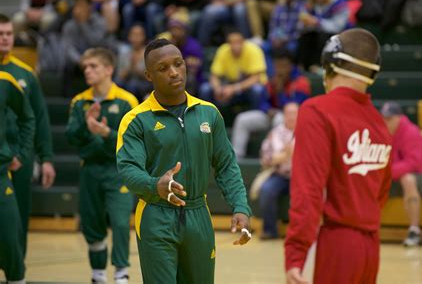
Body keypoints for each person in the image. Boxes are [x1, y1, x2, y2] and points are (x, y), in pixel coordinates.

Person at [116, 38, 252, 284]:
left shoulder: (209, 113)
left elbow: (226, 165)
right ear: (148, 75)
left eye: (178, 64)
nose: (174, 72)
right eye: (163, 68)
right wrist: (155, 184)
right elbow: (128, 169)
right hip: (156, 214)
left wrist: (240, 206)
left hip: (198, 214)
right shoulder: (136, 120)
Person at [285, 28, 392, 284]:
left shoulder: (316, 110)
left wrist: (296, 253)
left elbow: (308, 191)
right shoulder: (379, 123)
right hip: (370, 248)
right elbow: (382, 193)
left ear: (330, 61)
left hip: (337, 243)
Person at [65, 48, 139, 284]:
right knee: (91, 222)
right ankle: (98, 274)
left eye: (93, 66)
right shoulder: (79, 101)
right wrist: (86, 126)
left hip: (118, 171)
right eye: (85, 67)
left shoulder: (127, 101)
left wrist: (107, 133)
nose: (87, 70)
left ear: (109, 69)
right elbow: (70, 137)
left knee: (119, 221)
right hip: (90, 169)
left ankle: (121, 273)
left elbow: (134, 142)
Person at [0, 13, 56, 257]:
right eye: (0, 35)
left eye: (9, 34)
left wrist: (46, 159)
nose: (5, 39)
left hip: (19, 157)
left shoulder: (26, 75)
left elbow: (40, 118)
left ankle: (17, 272)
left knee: (20, 216)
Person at [231, 49, 310, 158]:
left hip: (291, 119)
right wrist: (267, 109)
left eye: (283, 66)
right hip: (270, 115)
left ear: (290, 66)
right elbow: (262, 102)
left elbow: (294, 108)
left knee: (279, 118)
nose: (280, 69)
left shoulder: (301, 82)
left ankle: (277, 156)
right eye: (277, 66)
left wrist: (280, 91)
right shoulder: (273, 80)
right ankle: (237, 158)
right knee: (242, 119)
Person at [381, 101, 422, 247]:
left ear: (399, 118)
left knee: (408, 179)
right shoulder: (382, 133)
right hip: (393, 176)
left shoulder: (411, 132)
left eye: (390, 119)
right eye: (384, 118)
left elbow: (413, 163)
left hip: (421, 177)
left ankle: (414, 230)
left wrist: (385, 172)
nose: (386, 122)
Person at [0, 71, 35, 284]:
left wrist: (21, 152)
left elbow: (27, 116)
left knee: (9, 237)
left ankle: (16, 279)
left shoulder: (5, 80)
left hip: (1, 174)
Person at [199, 30, 267, 113]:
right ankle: (208, 120)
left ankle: (255, 117)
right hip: (229, 85)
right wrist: (217, 88)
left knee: (257, 90)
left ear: (243, 42)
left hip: (247, 88)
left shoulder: (253, 50)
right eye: (233, 42)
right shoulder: (223, 50)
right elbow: (214, 75)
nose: (236, 45)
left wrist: (234, 88)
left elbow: (256, 78)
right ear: (228, 43)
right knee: (205, 89)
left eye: (238, 42)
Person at [258, 102, 298, 239]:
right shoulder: (275, 133)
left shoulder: (307, 131)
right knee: (267, 190)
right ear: (284, 115)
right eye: (289, 114)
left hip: (300, 176)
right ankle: (269, 230)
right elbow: (266, 159)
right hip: (279, 174)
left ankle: (300, 232)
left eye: (294, 114)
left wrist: (288, 154)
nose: (292, 117)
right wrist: (286, 155)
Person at [296, 0, 350, 72]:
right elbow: (300, 25)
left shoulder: (338, 0)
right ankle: (303, 67)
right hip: (318, 32)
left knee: (323, 36)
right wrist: (305, 23)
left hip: (339, 35)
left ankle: (321, 66)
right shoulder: (311, 2)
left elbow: (338, 26)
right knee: (306, 36)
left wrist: (318, 22)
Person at [61, 0, 109, 96]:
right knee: (67, 65)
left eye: (81, 5)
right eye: (76, 5)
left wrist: (83, 24)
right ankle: (69, 101)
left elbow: (96, 42)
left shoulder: (99, 22)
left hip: (96, 59)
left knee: (98, 65)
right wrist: (80, 60)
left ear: (89, 7)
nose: (78, 8)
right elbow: (68, 48)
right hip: (77, 62)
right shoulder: (69, 25)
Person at [158, 9, 204, 96]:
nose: (174, 32)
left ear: (184, 30)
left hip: (192, 80)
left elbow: (193, 71)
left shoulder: (193, 46)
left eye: (178, 29)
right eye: (172, 29)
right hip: (170, 76)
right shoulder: (166, 42)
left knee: (189, 79)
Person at [116, 24, 152, 101]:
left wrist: (136, 68)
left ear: (144, 36)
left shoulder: (148, 52)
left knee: (133, 85)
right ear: (129, 36)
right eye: (134, 34)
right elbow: (120, 76)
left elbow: (150, 78)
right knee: (117, 82)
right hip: (126, 81)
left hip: (143, 83)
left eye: (139, 35)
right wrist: (131, 66)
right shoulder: (123, 51)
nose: (136, 38)